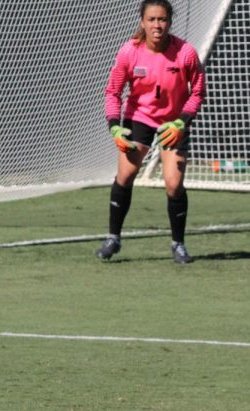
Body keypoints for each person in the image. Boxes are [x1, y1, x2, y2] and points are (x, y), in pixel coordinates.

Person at [98, 0, 206, 264]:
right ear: (143, 22)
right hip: (139, 118)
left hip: (173, 123)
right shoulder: (129, 52)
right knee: (126, 174)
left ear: (169, 21)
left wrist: (182, 121)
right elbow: (113, 92)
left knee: (173, 184)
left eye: (162, 19)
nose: (157, 25)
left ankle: (178, 244)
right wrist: (114, 127)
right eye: (152, 19)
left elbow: (198, 92)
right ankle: (113, 237)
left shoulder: (186, 53)